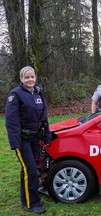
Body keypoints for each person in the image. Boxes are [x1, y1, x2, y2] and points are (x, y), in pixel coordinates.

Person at [5, 66, 51, 215]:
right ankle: (33, 203)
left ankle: (25, 199)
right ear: (21, 79)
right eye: (27, 77)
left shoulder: (38, 93)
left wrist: (46, 135)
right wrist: (15, 143)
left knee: (27, 170)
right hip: (22, 140)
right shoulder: (15, 94)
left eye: (32, 77)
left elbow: (44, 117)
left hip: (35, 139)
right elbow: (11, 120)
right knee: (30, 171)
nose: (30, 80)